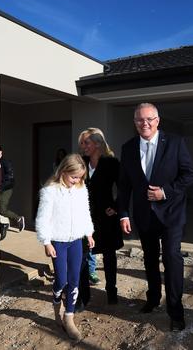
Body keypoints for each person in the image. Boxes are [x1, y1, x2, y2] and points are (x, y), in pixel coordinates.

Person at [118, 103, 193, 332]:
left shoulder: (175, 142)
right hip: (144, 216)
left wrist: (166, 191)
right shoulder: (128, 148)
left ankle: (175, 311)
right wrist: (123, 213)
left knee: (171, 258)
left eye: (150, 119)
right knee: (150, 259)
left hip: (171, 214)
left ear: (158, 120)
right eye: (140, 120)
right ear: (135, 123)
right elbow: (124, 186)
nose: (145, 123)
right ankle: (152, 299)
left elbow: (189, 174)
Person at [35, 153, 95, 341]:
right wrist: (46, 241)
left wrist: (89, 232)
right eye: (73, 177)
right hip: (58, 242)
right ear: (63, 171)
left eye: (80, 178)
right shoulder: (49, 190)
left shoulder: (81, 189)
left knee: (74, 279)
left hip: (76, 240)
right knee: (61, 280)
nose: (76, 181)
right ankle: (56, 306)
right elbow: (43, 218)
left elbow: (85, 212)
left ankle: (69, 317)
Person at [80, 127, 123, 305]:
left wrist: (115, 206)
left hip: (105, 218)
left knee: (109, 256)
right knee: (82, 255)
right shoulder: (80, 162)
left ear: (97, 143)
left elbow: (125, 188)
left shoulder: (111, 163)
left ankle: (111, 291)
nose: (83, 146)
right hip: (84, 216)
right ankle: (83, 295)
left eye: (86, 142)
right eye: (81, 143)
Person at [0, 146, 25, 241]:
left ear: (0, 152)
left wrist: (0, 187)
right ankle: (2, 226)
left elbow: (10, 177)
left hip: (6, 189)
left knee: (2, 209)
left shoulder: (5, 162)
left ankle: (18, 219)